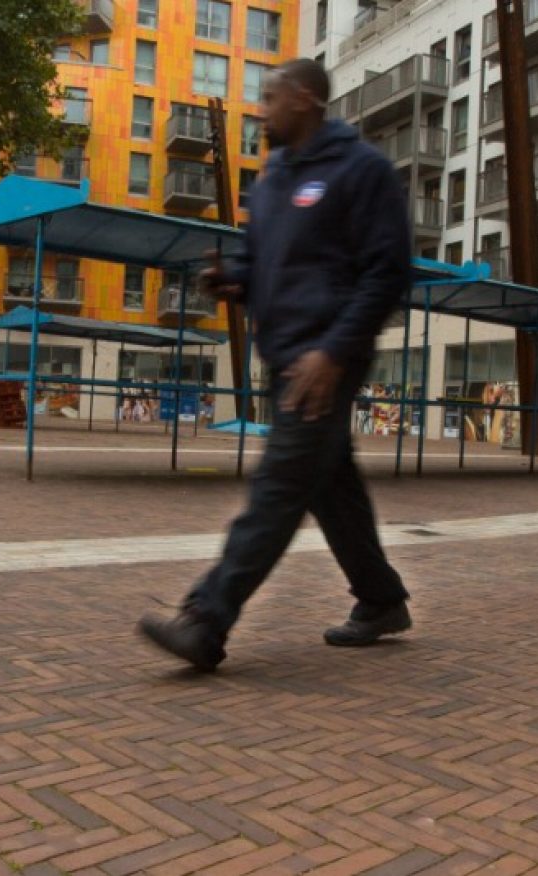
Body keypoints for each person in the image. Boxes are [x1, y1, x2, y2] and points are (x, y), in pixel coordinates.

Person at [138, 59, 413, 672]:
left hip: (325, 362)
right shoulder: (271, 180)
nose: (261, 109)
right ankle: (381, 599)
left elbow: (388, 271)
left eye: (270, 97)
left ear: (308, 98)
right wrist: (233, 281)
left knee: (280, 486)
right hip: (284, 354)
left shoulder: (361, 171)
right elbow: (261, 261)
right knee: (330, 485)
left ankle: (206, 620)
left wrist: (335, 351)